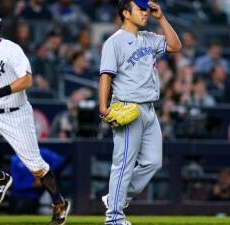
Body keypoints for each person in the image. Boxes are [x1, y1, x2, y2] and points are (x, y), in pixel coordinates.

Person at [0, 11, 70, 225]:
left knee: (36, 166)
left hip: (16, 114)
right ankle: (0, 178)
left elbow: (27, 80)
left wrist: (1, 91)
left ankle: (59, 202)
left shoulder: (11, 49)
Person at [98, 1, 181, 224]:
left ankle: (116, 198)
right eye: (140, 9)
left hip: (149, 109)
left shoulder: (148, 38)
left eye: (146, 9)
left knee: (153, 162)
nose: (145, 13)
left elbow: (175, 46)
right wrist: (103, 107)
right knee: (124, 163)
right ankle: (113, 218)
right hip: (128, 106)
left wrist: (161, 18)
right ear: (126, 13)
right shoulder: (114, 42)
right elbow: (106, 76)